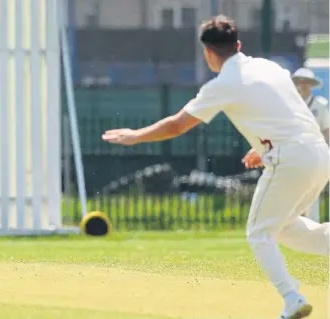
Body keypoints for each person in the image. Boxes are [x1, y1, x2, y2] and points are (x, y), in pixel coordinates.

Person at [102, 15, 328, 319]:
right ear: (238, 45)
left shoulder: (223, 84)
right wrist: (264, 146)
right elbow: (290, 112)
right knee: (285, 228)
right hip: (318, 154)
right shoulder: (269, 67)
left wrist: (136, 136)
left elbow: (178, 124)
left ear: (208, 52)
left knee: (258, 233)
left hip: (290, 159)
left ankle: (291, 296)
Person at [291, 67, 328, 222]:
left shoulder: (320, 104)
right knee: (294, 195)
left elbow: (327, 131)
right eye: (300, 82)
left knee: (312, 196)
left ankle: (313, 229)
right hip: (294, 156)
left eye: (307, 82)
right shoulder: (290, 105)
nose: (303, 85)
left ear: (312, 85)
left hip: (315, 156)